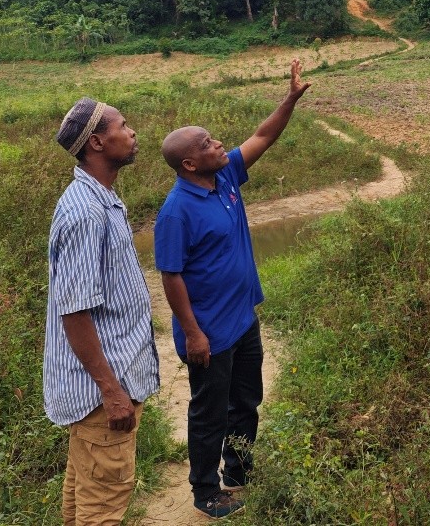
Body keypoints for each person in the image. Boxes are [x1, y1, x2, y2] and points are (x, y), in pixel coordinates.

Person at [154, 59, 312, 521]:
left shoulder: (223, 176)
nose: (218, 143)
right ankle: (205, 492)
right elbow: (170, 276)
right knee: (210, 413)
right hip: (209, 334)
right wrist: (193, 333)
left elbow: (263, 136)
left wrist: (290, 99)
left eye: (213, 138)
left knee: (246, 400)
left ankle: (239, 472)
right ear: (189, 163)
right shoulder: (176, 212)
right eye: (206, 143)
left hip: (243, 320)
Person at [44, 97, 161, 526]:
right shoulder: (85, 213)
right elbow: (74, 313)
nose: (132, 133)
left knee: (83, 499)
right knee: (103, 506)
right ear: (96, 142)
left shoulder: (102, 200)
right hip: (101, 395)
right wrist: (111, 391)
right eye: (123, 126)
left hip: (104, 388)